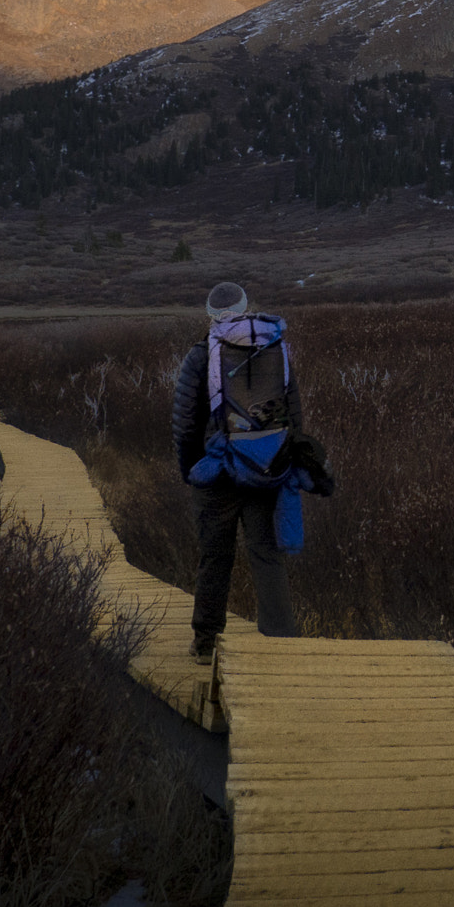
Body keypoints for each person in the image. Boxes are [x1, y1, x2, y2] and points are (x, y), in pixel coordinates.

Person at [172, 281, 302, 660]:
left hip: (217, 475)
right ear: (246, 308)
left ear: (210, 315)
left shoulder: (200, 357)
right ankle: (280, 646)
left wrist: (191, 471)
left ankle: (206, 643)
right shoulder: (275, 348)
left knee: (215, 556)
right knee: (266, 555)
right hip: (265, 468)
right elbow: (294, 413)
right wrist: (283, 460)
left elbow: (184, 425)